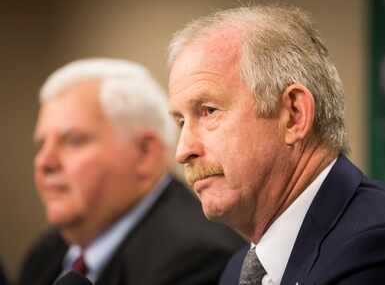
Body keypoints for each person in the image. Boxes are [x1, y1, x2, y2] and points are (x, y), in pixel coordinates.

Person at [167, 5, 385, 285]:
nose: (183, 151)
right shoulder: (237, 271)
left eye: (208, 111)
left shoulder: (383, 251)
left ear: (294, 115)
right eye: (181, 122)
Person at [18, 58, 244, 285]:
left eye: (73, 141)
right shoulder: (44, 255)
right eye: (41, 145)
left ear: (145, 154)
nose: (44, 162)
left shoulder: (197, 261)